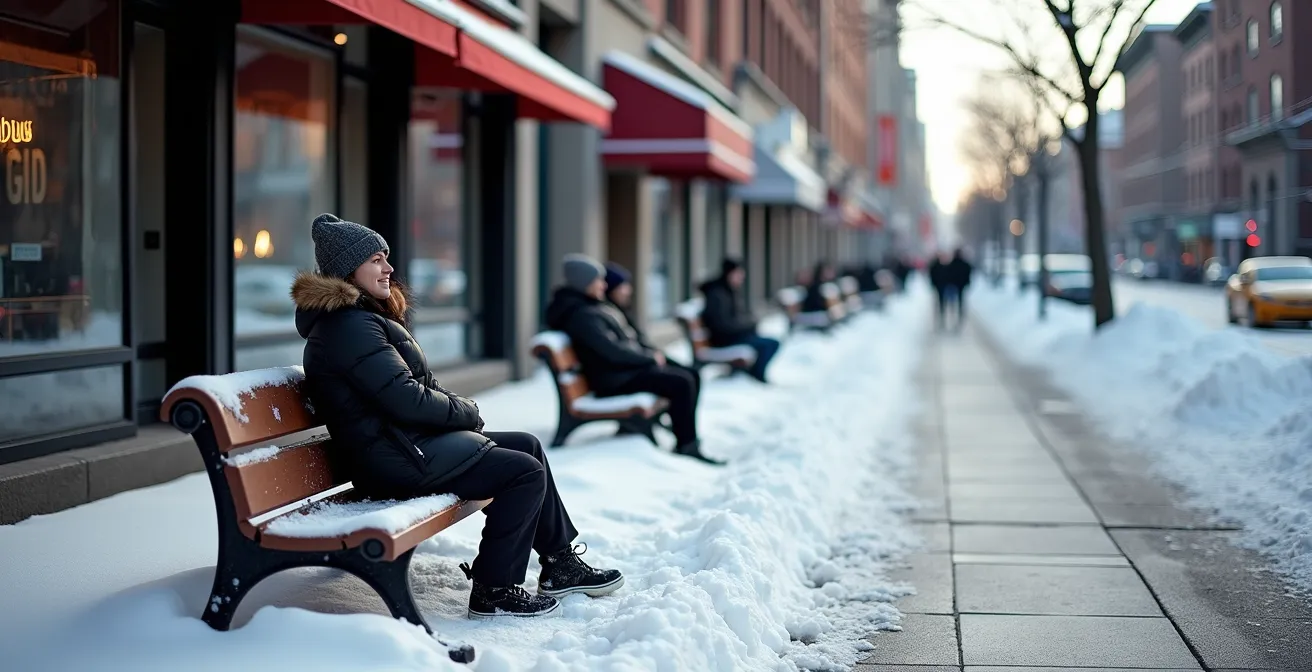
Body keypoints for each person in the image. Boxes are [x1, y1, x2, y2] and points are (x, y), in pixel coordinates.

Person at [293, 214, 623, 619]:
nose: (389, 268)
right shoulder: (349, 328)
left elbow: (419, 389)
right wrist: (466, 412)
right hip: (393, 459)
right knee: (521, 472)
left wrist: (460, 414)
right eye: (377, 259)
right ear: (348, 269)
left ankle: (558, 565)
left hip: (402, 445)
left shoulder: (361, 320)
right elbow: (407, 399)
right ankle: (494, 588)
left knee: (527, 445)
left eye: (385, 258)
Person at [544, 254, 723, 465]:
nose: (603, 285)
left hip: (617, 373)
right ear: (584, 282)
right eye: (598, 280)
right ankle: (687, 444)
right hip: (611, 379)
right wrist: (648, 359)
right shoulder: (582, 314)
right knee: (682, 382)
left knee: (687, 375)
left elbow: (618, 346)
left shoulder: (589, 307)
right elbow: (611, 351)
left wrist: (648, 357)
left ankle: (685, 438)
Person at [698, 258, 779, 382]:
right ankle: (756, 376)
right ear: (730, 274)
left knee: (769, 343)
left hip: (731, 336)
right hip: (724, 340)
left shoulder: (728, 291)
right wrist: (748, 326)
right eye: (739, 274)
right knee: (770, 344)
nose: (742, 278)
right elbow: (721, 325)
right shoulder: (718, 294)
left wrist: (748, 324)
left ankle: (754, 375)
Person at [946, 247, 973, 326]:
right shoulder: (965, 264)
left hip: (954, 286)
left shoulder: (951, 264)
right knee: (960, 301)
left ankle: (955, 314)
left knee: (953, 301)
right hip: (961, 285)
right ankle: (960, 315)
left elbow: (948, 274)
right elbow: (968, 273)